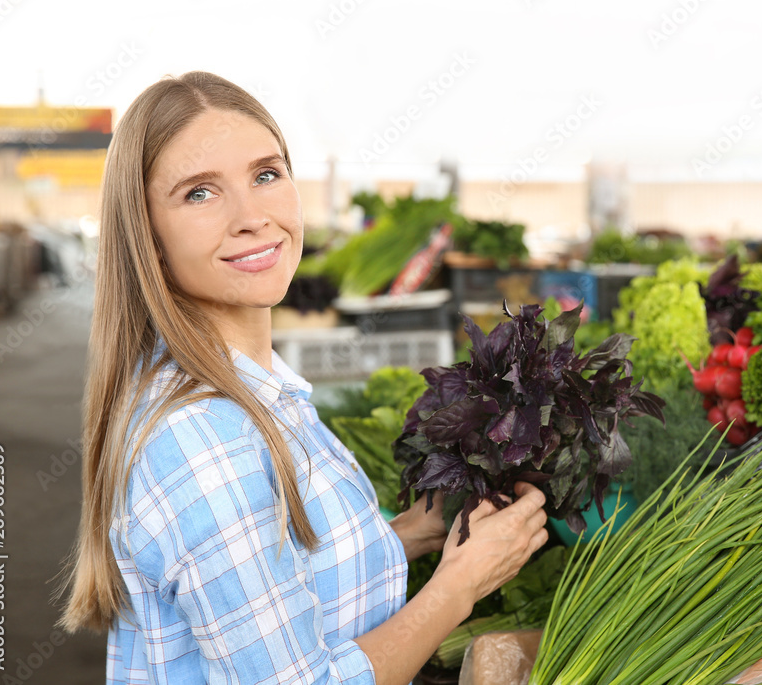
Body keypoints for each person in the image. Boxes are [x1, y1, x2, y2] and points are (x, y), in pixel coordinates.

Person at [58, 71, 549, 685]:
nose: (251, 217)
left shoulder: (254, 388)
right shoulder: (203, 439)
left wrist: (416, 531)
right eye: (199, 194)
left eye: (266, 174)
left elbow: (281, 593)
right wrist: (459, 585)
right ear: (147, 237)